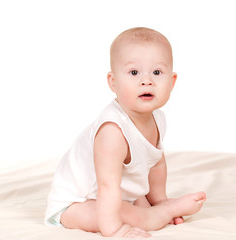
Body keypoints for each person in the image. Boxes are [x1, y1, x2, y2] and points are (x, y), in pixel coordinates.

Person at [44, 27, 206, 238]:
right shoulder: (112, 131)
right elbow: (107, 186)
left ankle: (162, 207)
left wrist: (159, 199)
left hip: (120, 193)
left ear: (172, 82)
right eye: (134, 72)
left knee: (141, 207)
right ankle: (170, 210)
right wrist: (115, 230)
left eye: (157, 72)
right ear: (113, 82)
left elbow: (156, 163)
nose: (146, 81)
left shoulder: (158, 119)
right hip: (78, 203)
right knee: (135, 217)